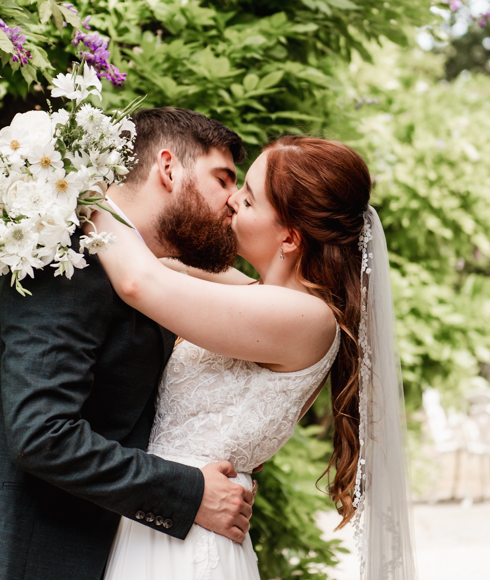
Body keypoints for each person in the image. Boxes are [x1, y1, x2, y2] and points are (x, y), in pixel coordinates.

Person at [0, 108, 257, 580]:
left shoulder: (140, 271)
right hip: (13, 558)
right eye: (223, 179)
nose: (233, 201)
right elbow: (42, 435)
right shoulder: (67, 261)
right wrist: (189, 494)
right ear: (168, 167)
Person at [94, 135, 417, 580]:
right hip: (171, 514)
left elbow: (139, 283)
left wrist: (84, 189)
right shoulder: (262, 298)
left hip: (187, 541)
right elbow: (169, 265)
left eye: (247, 199)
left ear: (288, 237)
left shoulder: (303, 317)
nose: (230, 201)